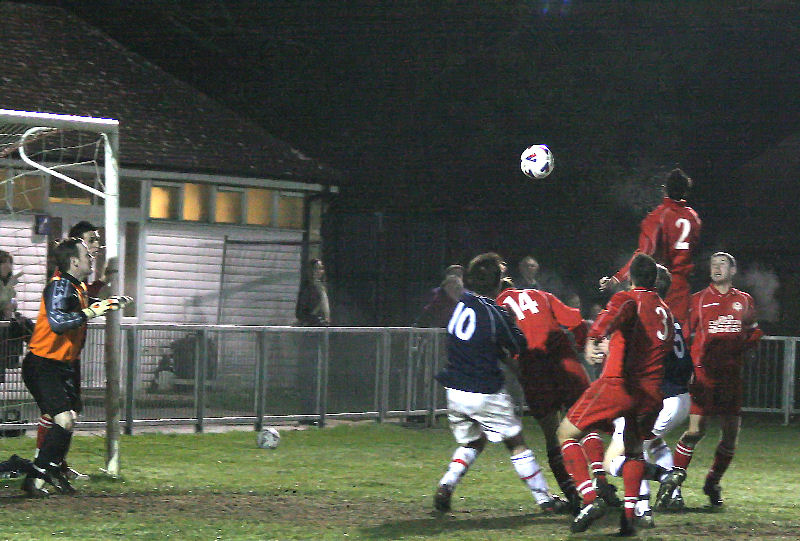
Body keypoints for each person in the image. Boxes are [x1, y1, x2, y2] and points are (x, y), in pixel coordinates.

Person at [433, 252, 567, 514]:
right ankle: (545, 500)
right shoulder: (495, 312)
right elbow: (519, 344)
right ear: (497, 283)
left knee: (474, 441)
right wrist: (512, 323)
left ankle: (446, 484)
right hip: (483, 390)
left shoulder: (461, 303)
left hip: (455, 389)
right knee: (516, 442)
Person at [558, 254, 674, 535]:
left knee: (566, 432)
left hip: (619, 385)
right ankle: (628, 518)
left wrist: (596, 335)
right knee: (634, 452)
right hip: (650, 393)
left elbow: (605, 322)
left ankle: (589, 498)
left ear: (630, 276)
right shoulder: (666, 311)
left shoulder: (627, 298)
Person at [21, 238, 130, 497]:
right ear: (74, 261)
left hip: (60, 366)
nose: (91, 258)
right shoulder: (59, 286)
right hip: (42, 365)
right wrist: (96, 310)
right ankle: (36, 478)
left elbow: (84, 305)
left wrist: (105, 302)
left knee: (69, 418)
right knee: (63, 419)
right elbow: (58, 322)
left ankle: (52, 469)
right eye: (87, 255)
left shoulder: (75, 285)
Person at [657, 252, 762, 508]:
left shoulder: (744, 300)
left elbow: (755, 331)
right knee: (694, 431)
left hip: (731, 378)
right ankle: (673, 487)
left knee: (730, 437)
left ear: (733, 269)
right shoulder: (699, 300)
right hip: (704, 376)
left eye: (723, 263)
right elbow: (684, 335)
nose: (716, 268)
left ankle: (712, 482)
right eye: (713, 264)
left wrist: (743, 345)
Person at [601, 265, 694, 527]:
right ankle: (672, 495)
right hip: (679, 397)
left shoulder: (643, 313)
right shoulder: (668, 315)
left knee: (616, 460)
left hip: (658, 397)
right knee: (653, 444)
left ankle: (645, 503)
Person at [496, 283, 592, 513]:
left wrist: (517, 369)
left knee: (553, 435)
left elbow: (499, 347)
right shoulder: (540, 295)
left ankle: (573, 495)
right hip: (561, 359)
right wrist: (580, 344)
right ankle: (600, 486)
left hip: (533, 365)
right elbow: (574, 319)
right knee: (586, 424)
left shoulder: (494, 306)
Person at [600, 168, 701, 329]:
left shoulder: (657, 217)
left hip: (661, 288)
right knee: (680, 342)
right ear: (685, 191)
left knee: (652, 343)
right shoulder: (694, 218)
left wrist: (617, 279)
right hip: (683, 289)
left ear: (665, 190)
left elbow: (644, 255)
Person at [67, 221, 107, 299]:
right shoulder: (65, 274)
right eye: (91, 241)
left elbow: (84, 296)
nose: (97, 245)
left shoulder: (80, 272)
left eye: (97, 240)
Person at [295, 258, 330, 326]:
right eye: (317, 268)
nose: (319, 271)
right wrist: (312, 319)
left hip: (323, 326)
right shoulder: (308, 288)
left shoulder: (323, 287)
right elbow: (300, 312)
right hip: (312, 327)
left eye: (321, 268)